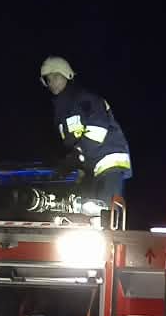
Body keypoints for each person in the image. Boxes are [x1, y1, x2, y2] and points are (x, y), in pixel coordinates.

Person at [39, 56, 132, 208]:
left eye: (56, 76)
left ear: (67, 75)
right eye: (48, 79)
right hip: (90, 167)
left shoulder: (85, 100)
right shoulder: (62, 112)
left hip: (109, 162)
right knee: (84, 210)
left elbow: (98, 129)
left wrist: (77, 155)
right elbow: (70, 143)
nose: (52, 83)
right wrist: (69, 164)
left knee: (105, 212)